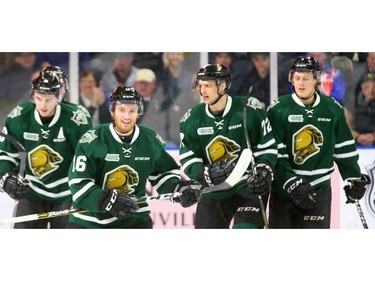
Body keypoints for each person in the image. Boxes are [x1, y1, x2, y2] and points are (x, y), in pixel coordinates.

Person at [67, 86, 200, 228]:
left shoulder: (149, 139)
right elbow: (78, 182)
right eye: (122, 110)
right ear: (113, 111)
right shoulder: (93, 139)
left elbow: (163, 174)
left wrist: (177, 189)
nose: (127, 116)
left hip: (134, 218)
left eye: (132, 111)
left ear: (138, 112)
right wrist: (106, 200)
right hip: (89, 221)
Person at [266, 56, 371, 229]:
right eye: (297, 78)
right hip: (285, 191)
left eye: (306, 78)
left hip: (319, 190)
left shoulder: (332, 109)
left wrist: (353, 177)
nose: (300, 83)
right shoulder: (278, 109)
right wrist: (291, 181)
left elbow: (343, 148)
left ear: (316, 79)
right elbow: (276, 152)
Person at [179, 64, 278, 229]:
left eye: (208, 85)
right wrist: (206, 174)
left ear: (223, 85)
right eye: (200, 85)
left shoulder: (249, 111)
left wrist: (263, 171)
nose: (203, 91)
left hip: (247, 185)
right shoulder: (191, 120)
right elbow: (188, 156)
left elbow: (266, 148)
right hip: (213, 190)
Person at [0, 66, 93, 228]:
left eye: (48, 99)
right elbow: (6, 155)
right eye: (39, 98)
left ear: (59, 96)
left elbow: (90, 160)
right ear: (33, 94)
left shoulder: (76, 120)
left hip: (68, 194)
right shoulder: (19, 117)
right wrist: (6, 178)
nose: (43, 104)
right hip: (32, 193)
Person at [344, 72, 375, 146]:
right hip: (355, 146)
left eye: (374, 87)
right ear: (362, 88)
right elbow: (343, 126)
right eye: (367, 86)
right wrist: (356, 137)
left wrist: (374, 136)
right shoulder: (351, 105)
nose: (371, 90)